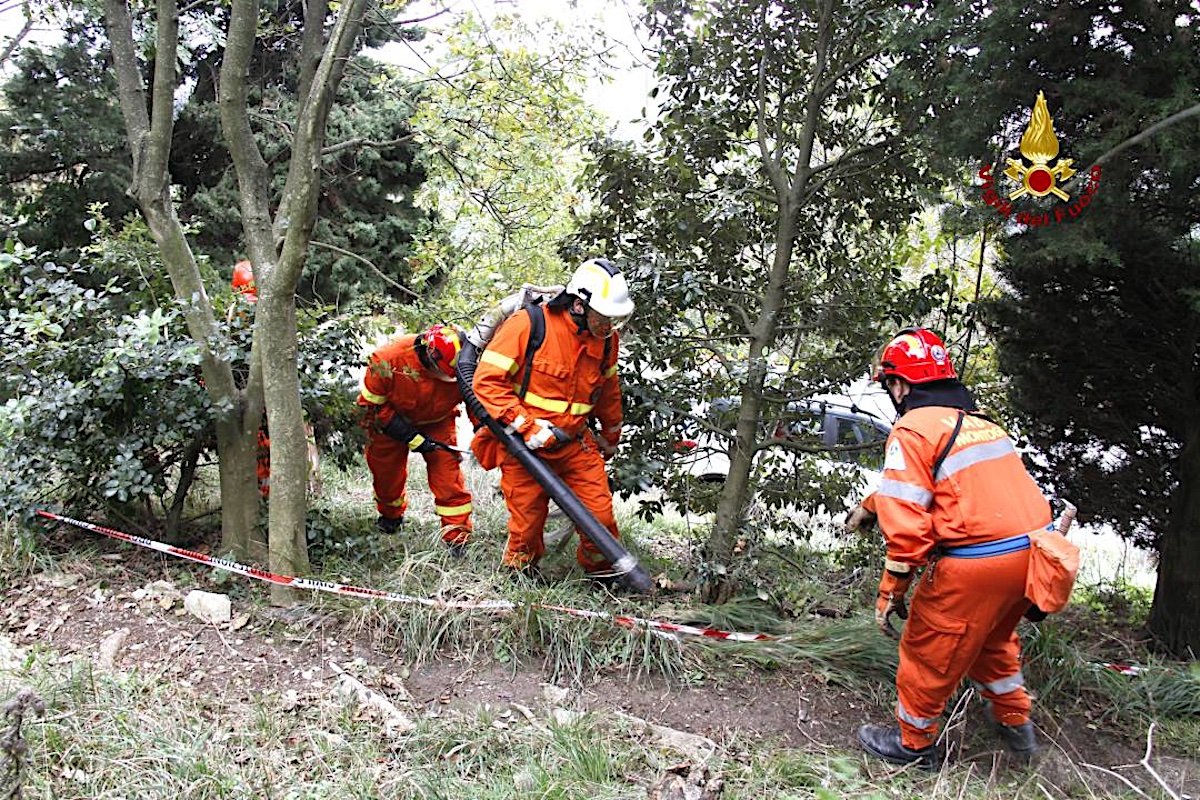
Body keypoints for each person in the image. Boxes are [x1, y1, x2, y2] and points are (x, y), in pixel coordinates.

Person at [847, 327, 1052, 769]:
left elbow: (909, 532)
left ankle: (913, 745)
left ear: (900, 384)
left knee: (927, 649)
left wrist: (891, 593)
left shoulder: (911, 430)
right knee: (993, 641)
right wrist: (873, 504)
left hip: (977, 565)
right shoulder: (981, 426)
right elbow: (957, 490)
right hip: (1034, 558)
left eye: (889, 385)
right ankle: (1016, 726)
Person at [471, 257, 632, 579]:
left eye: (613, 320)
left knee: (600, 517)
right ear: (578, 305)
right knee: (527, 524)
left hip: (576, 444)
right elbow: (486, 382)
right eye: (604, 318)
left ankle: (603, 575)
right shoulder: (529, 325)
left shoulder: (606, 342)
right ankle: (520, 576)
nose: (609, 327)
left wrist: (611, 436)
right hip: (526, 446)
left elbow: (608, 392)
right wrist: (527, 426)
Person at [358, 323, 473, 551]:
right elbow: (371, 408)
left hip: (438, 420)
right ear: (430, 356)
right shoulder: (388, 359)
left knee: (448, 478)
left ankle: (457, 538)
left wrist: (484, 432)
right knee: (386, 475)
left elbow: (476, 401)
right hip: (389, 421)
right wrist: (411, 437)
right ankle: (391, 517)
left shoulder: (466, 363)